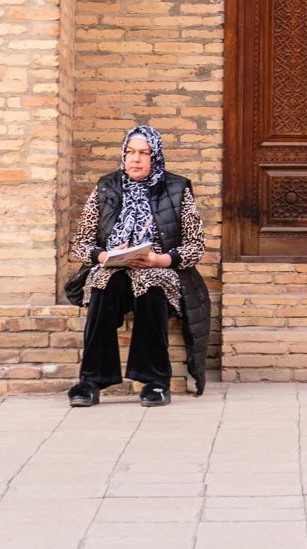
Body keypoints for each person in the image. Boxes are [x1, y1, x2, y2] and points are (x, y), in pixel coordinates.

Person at [64, 124, 210, 407]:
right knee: (104, 288)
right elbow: (80, 244)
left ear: (155, 156)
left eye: (144, 153)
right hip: (114, 267)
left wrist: (160, 259)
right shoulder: (106, 187)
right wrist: (105, 256)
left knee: (151, 290)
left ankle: (155, 382)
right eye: (130, 152)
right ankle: (91, 382)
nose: (136, 159)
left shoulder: (177, 188)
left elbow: (196, 245)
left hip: (158, 269)